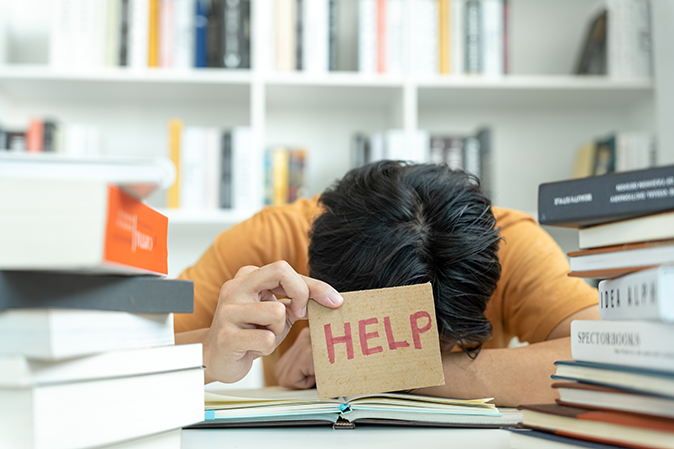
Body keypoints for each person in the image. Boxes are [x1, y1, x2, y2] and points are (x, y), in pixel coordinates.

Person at [175, 161, 599, 406]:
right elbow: (119, 355)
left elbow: (611, 358)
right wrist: (209, 353)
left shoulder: (513, 242)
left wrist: (366, 365)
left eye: (439, 345)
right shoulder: (263, 243)